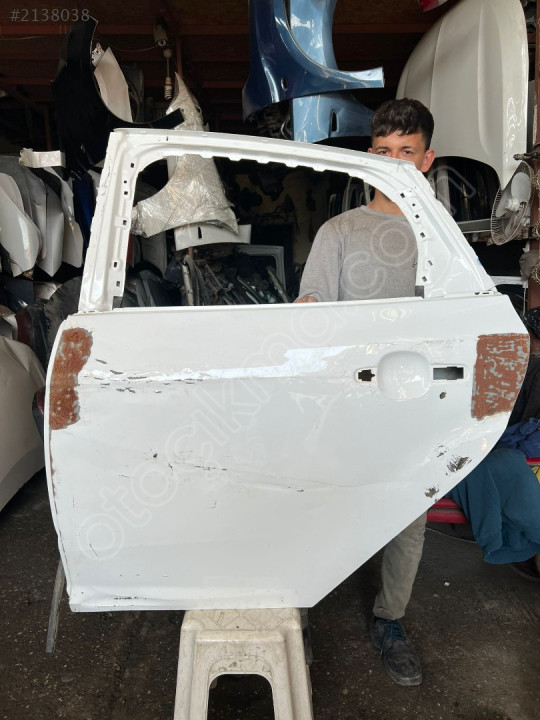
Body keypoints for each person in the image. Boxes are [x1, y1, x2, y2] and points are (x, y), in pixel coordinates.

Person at [295, 98, 436, 686]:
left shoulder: (440, 237)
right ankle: (298, 605)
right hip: (345, 402)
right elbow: (311, 312)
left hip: (416, 404)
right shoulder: (340, 231)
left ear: (426, 160)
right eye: (383, 151)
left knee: (408, 516)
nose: (394, 162)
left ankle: (389, 619)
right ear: (368, 157)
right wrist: (307, 312)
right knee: (321, 503)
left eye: (406, 152)